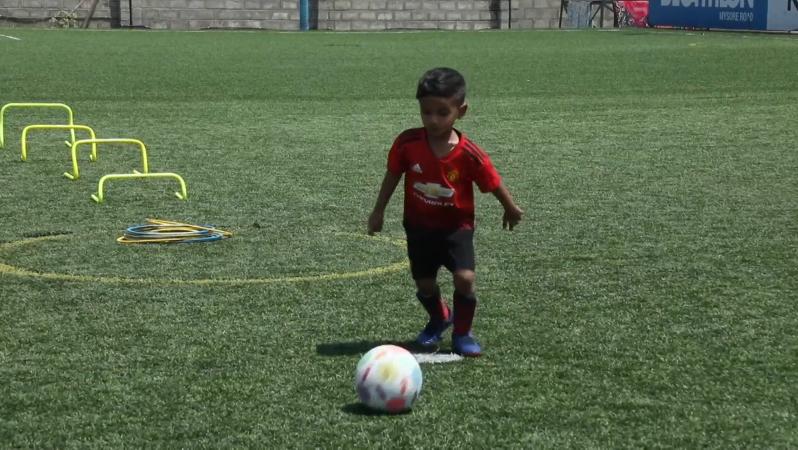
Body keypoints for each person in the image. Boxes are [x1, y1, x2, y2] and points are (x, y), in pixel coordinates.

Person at [367, 67, 523, 357]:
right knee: (425, 284)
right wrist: (378, 211)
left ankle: (462, 333)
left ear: (460, 111)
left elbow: (492, 182)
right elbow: (393, 175)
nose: (433, 120)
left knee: (465, 278)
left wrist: (510, 207)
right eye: (426, 112)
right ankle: (440, 317)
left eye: (442, 112)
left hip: (456, 227)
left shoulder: (468, 153)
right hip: (419, 226)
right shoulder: (407, 143)